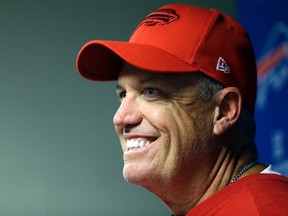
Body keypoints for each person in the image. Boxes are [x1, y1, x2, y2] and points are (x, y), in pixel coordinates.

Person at [76, 4, 288, 216]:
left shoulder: (263, 209)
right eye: (123, 94)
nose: (120, 118)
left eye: (151, 91)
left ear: (224, 111)